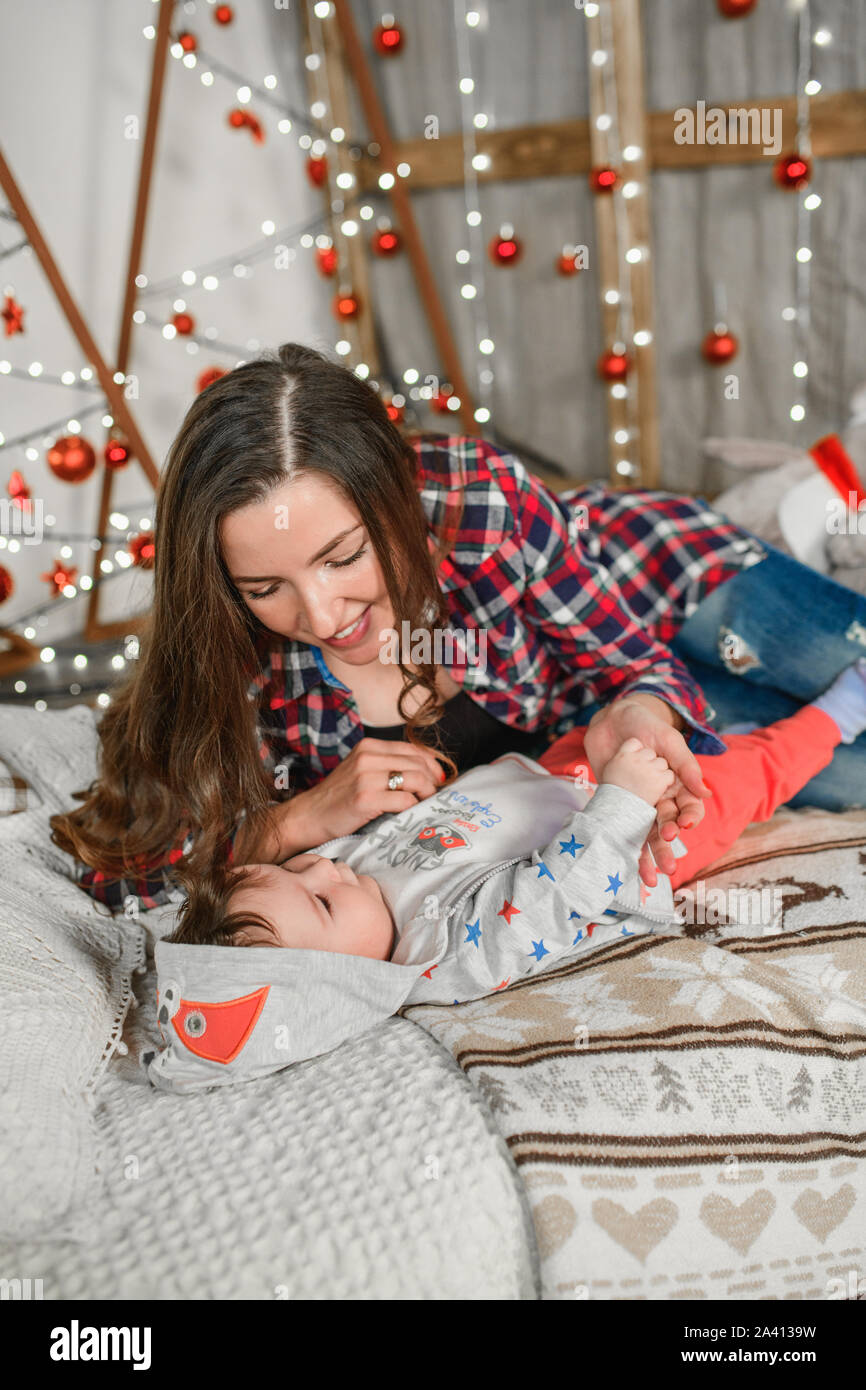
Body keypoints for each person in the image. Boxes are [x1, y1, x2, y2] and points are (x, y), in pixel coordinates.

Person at [48, 342, 866, 913]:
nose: (323, 616)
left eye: (343, 557)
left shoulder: (479, 500)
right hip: (587, 718)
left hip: (660, 573)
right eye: (267, 586)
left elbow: (630, 665)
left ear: (396, 496)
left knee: (837, 655)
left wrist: (644, 705)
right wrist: (298, 819)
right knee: (846, 772)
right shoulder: (236, 662)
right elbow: (131, 874)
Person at [143, 657, 866, 1091]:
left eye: (301, 867)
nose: (329, 871)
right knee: (751, 769)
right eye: (322, 904)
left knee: (658, 712)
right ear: (350, 989)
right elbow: (556, 899)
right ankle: (840, 712)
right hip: (633, 834)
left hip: (550, 772)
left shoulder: (344, 886)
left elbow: (229, 892)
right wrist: (622, 801)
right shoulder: (440, 957)